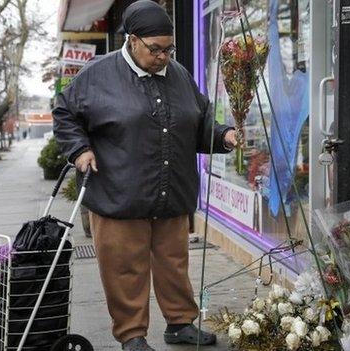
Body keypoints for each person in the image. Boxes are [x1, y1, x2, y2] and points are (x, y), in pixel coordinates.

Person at [53, 2, 237, 350]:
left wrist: (224, 136)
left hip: (171, 191)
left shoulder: (179, 74)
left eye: (170, 49)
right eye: (156, 49)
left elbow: (198, 123)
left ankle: (180, 323)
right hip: (119, 193)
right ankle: (132, 335)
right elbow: (64, 113)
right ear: (133, 40)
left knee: (174, 264)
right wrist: (79, 150)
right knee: (125, 269)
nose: (164, 56)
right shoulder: (97, 74)